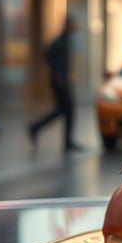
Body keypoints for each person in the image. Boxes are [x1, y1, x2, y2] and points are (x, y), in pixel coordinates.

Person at [28, 15, 83, 151]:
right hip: (59, 81)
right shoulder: (59, 41)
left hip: (63, 80)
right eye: (73, 24)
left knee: (64, 110)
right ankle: (36, 128)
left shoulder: (66, 40)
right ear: (67, 25)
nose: (75, 27)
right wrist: (58, 73)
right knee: (66, 109)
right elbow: (47, 55)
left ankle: (37, 128)